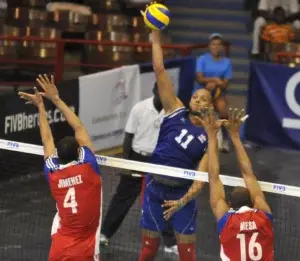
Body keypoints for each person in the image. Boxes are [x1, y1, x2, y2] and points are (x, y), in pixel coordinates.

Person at [138, 15, 210, 261]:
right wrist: (155, 32)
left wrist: (182, 202)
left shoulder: (209, 137)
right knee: (148, 250)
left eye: (203, 99)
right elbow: (159, 69)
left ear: (209, 107)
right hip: (155, 187)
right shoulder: (175, 109)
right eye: (196, 96)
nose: (197, 99)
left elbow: (201, 180)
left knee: (187, 255)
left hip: (182, 196)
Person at [18, 75, 102, 261]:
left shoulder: (53, 174)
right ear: (79, 151)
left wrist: (40, 106)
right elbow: (79, 128)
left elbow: (46, 139)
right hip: (84, 251)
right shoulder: (89, 167)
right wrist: (55, 99)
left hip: (60, 247)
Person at [100, 84, 178, 255]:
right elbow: (128, 137)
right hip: (137, 159)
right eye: (163, 91)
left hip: (159, 160)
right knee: (123, 197)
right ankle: (104, 233)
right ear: (155, 92)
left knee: (165, 201)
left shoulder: (173, 113)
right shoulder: (140, 108)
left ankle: (170, 243)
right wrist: (126, 164)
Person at [198, 107, 274, 260]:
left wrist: (212, 136)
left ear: (229, 204)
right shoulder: (262, 215)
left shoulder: (227, 221)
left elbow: (213, 177)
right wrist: (235, 136)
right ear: (253, 201)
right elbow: (248, 175)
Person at [194, 33, 232, 152]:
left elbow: (225, 83)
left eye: (218, 45)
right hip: (201, 91)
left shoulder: (227, 62)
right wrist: (214, 80)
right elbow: (200, 78)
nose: (216, 47)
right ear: (209, 46)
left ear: (222, 47)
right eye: (213, 44)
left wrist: (216, 84)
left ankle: (226, 139)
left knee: (223, 110)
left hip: (218, 91)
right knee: (198, 114)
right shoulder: (202, 59)